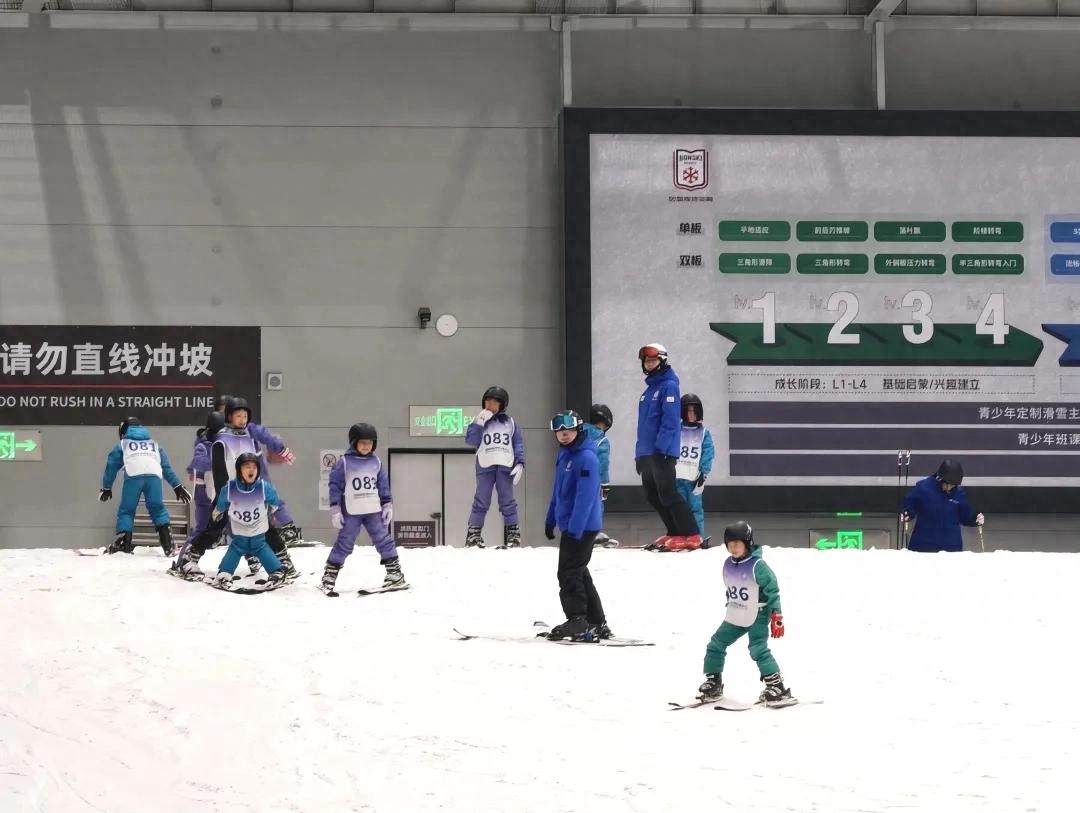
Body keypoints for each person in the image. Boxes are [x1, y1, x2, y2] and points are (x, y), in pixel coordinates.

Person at [696, 521, 795, 707]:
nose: (733, 548)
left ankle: (777, 686)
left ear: (747, 543)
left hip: (757, 613)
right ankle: (713, 682)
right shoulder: (728, 564)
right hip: (736, 612)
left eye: (737, 544)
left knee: (757, 648)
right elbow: (731, 587)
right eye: (729, 544)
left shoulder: (758, 566)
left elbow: (773, 590)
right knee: (716, 644)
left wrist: (777, 615)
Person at [543, 411, 611, 642]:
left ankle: (578, 619)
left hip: (581, 528)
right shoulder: (565, 454)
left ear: (578, 430)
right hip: (571, 526)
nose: (564, 435)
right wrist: (551, 518)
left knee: (568, 573)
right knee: (579, 572)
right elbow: (558, 490)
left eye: (568, 431)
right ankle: (596, 621)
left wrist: (575, 529)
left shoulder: (586, 458)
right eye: (559, 432)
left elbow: (586, 497)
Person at [319, 423, 406, 596]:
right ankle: (329, 576)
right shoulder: (344, 463)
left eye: (370, 442)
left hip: (373, 509)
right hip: (351, 510)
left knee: (383, 539)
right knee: (345, 542)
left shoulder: (376, 462)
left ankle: (395, 573)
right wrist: (335, 509)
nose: (366, 446)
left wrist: (387, 503)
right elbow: (335, 485)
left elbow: (383, 484)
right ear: (354, 442)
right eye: (362, 442)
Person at [635, 343, 700, 550]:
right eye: (646, 361)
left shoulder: (669, 386)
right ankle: (674, 532)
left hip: (661, 453)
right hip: (647, 453)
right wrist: (639, 455)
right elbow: (643, 427)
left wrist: (661, 450)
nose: (649, 363)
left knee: (668, 493)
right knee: (653, 496)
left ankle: (691, 534)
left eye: (653, 360)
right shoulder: (648, 391)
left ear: (662, 361)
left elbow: (670, 422)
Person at [219, 397, 305, 546]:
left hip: (257, 469)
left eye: (245, 416)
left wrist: (281, 449)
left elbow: (267, 437)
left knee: (270, 496)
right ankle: (247, 537)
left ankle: (288, 528)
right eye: (238, 416)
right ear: (229, 416)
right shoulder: (224, 435)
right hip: (237, 474)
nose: (242, 420)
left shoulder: (251, 430)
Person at [99, 417, 191, 555]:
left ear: (123, 431)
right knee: (158, 509)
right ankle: (168, 545)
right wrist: (177, 486)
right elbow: (166, 467)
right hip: (154, 476)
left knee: (127, 510)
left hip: (133, 475)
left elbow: (111, 465)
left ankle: (124, 544)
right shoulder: (154, 445)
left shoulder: (123, 444)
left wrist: (107, 487)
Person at [208, 452, 288, 590]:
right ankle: (224, 573)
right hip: (239, 533)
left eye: (254, 467)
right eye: (247, 467)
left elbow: (275, 502)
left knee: (262, 549)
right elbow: (221, 504)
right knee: (235, 549)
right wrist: (217, 514)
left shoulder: (264, 487)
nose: (251, 470)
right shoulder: (230, 488)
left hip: (258, 532)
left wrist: (273, 513)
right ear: (239, 469)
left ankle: (276, 572)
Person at [464, 385, 525, 549]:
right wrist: (479, 423)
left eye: (495, 402)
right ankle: (473, 535)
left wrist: (520, 462)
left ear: (502, 405)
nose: (490, 405)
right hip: (485, 465)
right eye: (488, 401)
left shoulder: (511, 423)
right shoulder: (479, 420)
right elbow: (471, 440)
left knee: (507, 501)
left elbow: (518, 443)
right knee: (481, 500)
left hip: (505, 466)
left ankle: (513, 536)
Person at [902, 459, 984, 552]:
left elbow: (965, 516)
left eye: (952, 485)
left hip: (951, 549)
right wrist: (907, 512)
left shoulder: (959, 494)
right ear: (939, 479)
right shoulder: (923, 488)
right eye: (946, 484)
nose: (948, 488)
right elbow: (910, 502)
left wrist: (975, 518)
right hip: (923, 547)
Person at [672, 393, 715, 546]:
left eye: (694, 411)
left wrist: (704, 474)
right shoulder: (675, 430)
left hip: (694, 479)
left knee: (695, 509)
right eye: (688, 410)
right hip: (677, 477)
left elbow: (708, 453)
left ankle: (698, 536)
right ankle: (681, 536)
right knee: (679, 509)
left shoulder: (704, 433)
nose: (691, 414)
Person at [583, 404, 619, 548]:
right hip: (593, 480)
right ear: (606, 423)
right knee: (596, 506)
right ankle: (593, 534)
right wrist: (605, 484)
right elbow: (602, 464)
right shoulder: (602, 440)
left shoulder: (578, 433)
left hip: (575, 478)